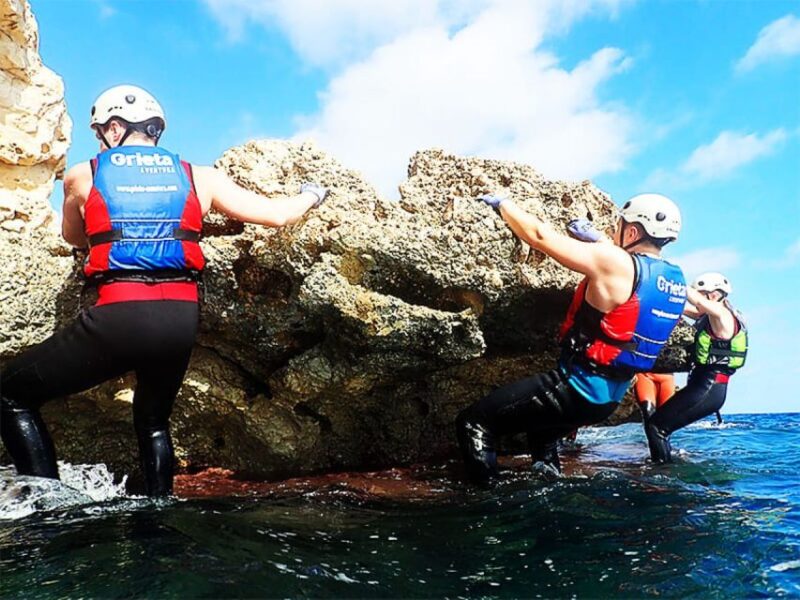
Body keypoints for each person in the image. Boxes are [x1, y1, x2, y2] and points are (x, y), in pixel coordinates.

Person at [0, 84, 328, 496]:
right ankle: (158, 514)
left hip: (119, 316)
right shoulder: (198, 176)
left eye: (101, 131)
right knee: (153, 421)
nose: (101, 140)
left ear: (115, 128)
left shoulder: (85, 175)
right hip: (179, 318)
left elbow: (74, 237)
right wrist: (313, 194)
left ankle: (46, 507)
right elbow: (278, 215)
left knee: (12, 394)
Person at [456, 193, 687, 486]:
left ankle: (488, 502)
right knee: (542, 434)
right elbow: (629, 269)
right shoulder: (674, 279)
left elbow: (539, 236)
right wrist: (599, 241)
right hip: (608, 397)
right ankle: (548, 484)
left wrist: (504, 205)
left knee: (474, 422)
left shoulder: (615, 262)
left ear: (631, 231)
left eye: (619, 225)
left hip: (578, 386)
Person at [644, 272, 747, 463]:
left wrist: (672, 283)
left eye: (703, 294)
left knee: (656, 427)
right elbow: (685, 307)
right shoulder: (709, 316)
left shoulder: (722, 315)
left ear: (715, 295)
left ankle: (661, 475)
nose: (699, 301)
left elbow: (696, 302)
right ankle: (664, 464)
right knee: (661, 426)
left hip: (709, 388)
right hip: (707, 387)